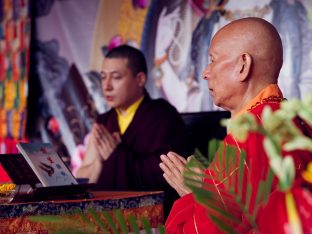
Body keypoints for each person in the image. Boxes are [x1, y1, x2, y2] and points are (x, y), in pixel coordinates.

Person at [160, 17, 312, 233]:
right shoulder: (297, 122)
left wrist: (197, 193)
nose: (205, 72)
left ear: (243, 65)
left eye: (212, 60)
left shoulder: (245, 138)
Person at [76, 45, 194, 217]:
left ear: (139, 79)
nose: (107, 86)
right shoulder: (105, 122)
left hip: (148, 217)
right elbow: (82, 177)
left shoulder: (162, 116)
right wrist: (100, 162)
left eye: (116, 77)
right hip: (105, 215)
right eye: (103, 77)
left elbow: (168, 173)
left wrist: (119, 155)